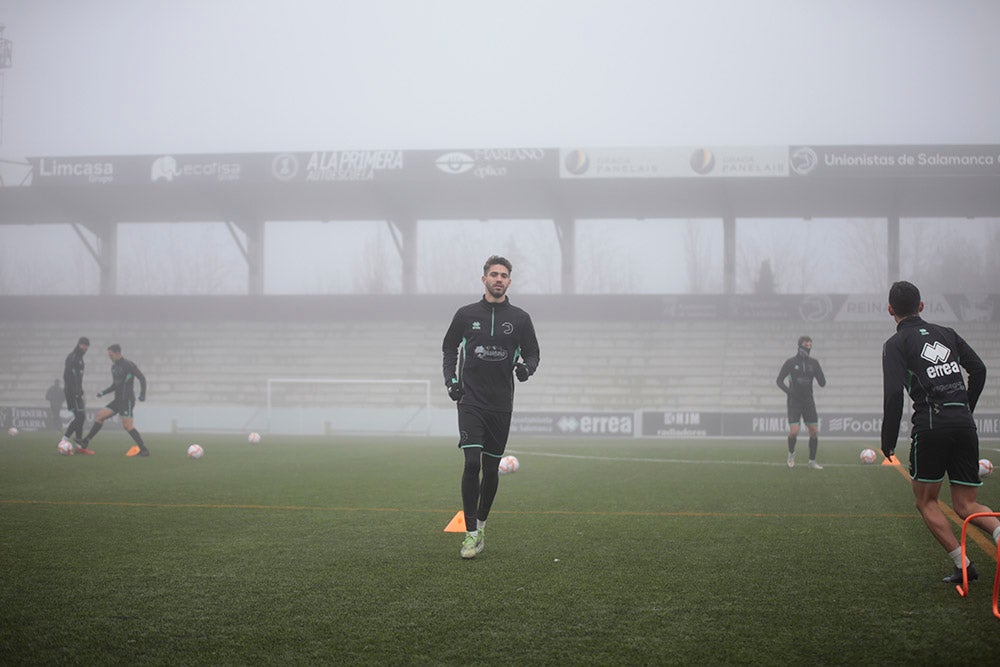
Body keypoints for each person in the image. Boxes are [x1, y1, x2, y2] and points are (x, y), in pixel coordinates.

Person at [880, 281, 1000, 583]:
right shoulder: (946, 333)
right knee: (966, 505)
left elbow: (894, 394)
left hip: (931, 426)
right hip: (963, 424)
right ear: (921, 306)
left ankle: (964, 566)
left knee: (926, 501)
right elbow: (980, 369)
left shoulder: (895, 344)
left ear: (890, 310)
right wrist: (964, 407)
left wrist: (888, 440)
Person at [442, 255, 540, 559]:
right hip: (470, 400)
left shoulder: (521, 318)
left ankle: (482, 526)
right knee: (471, 463)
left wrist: (527, 368)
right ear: (484, 278)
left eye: (504, 275)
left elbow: (534, 353)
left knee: (490, 469)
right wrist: (451, 381)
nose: (498, 279)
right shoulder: (465, 314)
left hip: (501, 404)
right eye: (494, 274)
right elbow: (449, 348)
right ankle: (470, 534)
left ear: (509, 281)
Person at [75, 343, 149, 457]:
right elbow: (115, 385)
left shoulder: (129, 365)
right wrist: (103, 392)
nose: (109, 357)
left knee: (127, 426)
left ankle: (144, 450)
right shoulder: (114, 367)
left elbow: (142, 378)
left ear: (117, 353)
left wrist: (142, 394)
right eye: (109, 355)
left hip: (127, 400)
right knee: (100, 416)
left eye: (111, 354)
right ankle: (85, 442)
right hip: (118, 400)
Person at [776, 335, 827, 469]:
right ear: (799, 346)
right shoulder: (790, 362)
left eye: (810, 346)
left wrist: (820, 376)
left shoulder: (814, 363)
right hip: (794, 401)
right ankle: (791, 456)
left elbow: (822, 383)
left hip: (808, 401)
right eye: (806, 345)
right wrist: (789, 392)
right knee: (794, 431)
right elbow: (779, 381)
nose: (808, 348)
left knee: (814, 431)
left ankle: (812, 461)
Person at [63, 337, 89, 448]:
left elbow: (77, 377)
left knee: (80, 416)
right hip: (72, 392)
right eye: (84, 345)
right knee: (81, 416)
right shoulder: (73, 357)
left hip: (77, 391)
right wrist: (75, 391)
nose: (85, 348)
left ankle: (78, 444)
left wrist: (80, 389)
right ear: (79, 344)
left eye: (87, 346)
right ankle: (65, 439)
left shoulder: (80, 358)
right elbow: (67, 375)